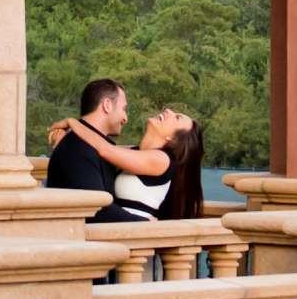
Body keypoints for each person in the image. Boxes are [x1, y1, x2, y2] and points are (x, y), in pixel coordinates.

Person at [49, 98, 205, 223]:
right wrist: (66, 139)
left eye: (177, 117)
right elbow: (96, 146)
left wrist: (72, 123)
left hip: (136, 239)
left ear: (173, 139)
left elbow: (104, 149)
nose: (168, 111)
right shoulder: (134, 152)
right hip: (119, 233)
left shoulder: (162, 160)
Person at [44, 76, 134, 221]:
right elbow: (96, 209)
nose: (125, 118)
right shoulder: (77, 149)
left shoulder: (87, 145)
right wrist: (146, 223)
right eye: (124, 109)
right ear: (107, 105)